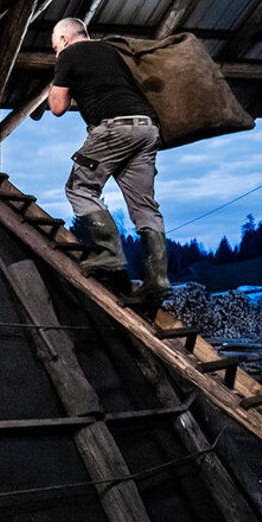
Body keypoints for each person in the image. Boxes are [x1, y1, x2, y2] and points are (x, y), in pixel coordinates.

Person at [46, 17, 169, 308]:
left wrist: (59, 77)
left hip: (115, 128)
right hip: (147, 128)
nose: (55, 52)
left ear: (64, 39)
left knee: (80, 188)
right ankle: (158, 278)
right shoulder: (110, 52)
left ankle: (108, 254)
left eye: (54, 47)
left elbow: (57, 107)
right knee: (144, 205)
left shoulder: (69, 54)